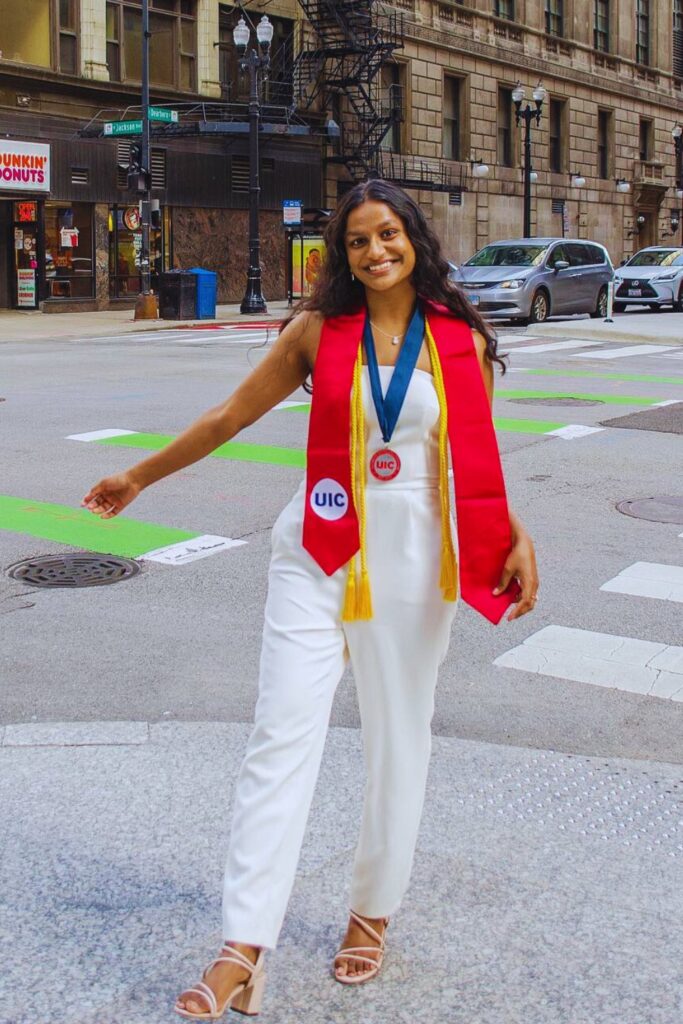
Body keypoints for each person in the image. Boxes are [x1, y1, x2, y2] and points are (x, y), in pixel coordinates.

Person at [82, 180, 539, 1020]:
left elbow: (474, 453)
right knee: (279, 729)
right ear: (343, 254)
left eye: (389, 235)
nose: (375, 252)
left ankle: (371, 910)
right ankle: (241, 946)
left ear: (415, 242)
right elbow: (228, 416)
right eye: (359, 240)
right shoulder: (316, 333)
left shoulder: (457, 339)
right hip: (319, 547)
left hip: (415, 553)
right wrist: (139, 474)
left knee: (399, 735)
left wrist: (512, 531)